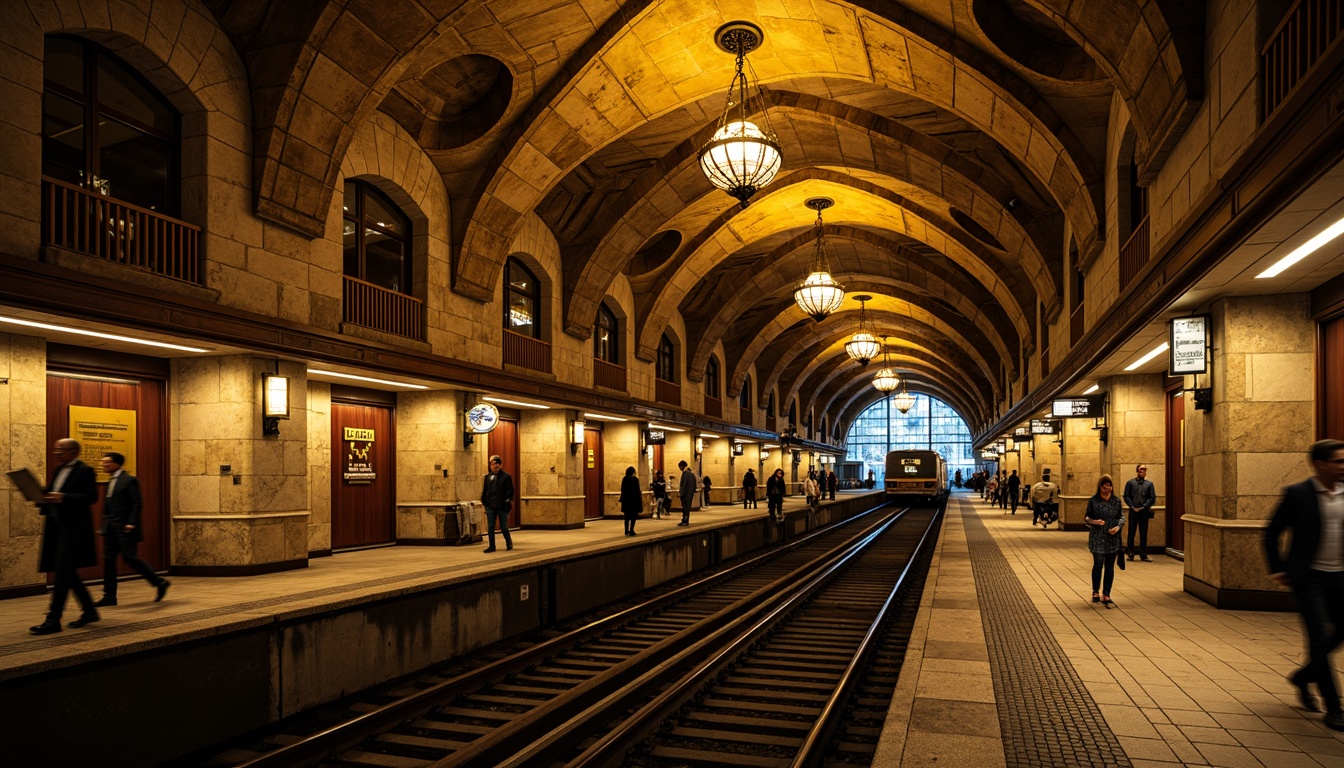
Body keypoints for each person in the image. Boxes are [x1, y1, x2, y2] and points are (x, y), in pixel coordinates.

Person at [1264, 439, 1344, 728]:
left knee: (1340, 632)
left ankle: (1303, 676)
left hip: (1340, 576)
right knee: (1319, 639)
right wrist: (1279, 568)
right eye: (1339, 461)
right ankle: (1334, 707)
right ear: (1321, 464)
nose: (1343, 466)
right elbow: (1272, 533)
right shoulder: (1299, 494)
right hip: (1310, 578)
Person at [31, 439, 99, 635]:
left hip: (74, 528)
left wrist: (63, 497)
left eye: (60, 450)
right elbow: (54, 493)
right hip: (56, 526)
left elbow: (91, 496)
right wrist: (40, 495)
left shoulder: (85, 470)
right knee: (67, 571)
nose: (56, 453)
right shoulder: (59, 470)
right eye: (56, 449)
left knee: (62, 571)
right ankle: (90, 610)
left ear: (74, 451)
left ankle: (53, 619)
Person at [94, 452, 168, 606]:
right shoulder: (111, 481)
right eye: (103, 462)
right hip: (110, 529)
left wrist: (131, 522)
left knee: (130, 558)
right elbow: (109, 507)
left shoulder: (129, 480)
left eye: (107, 462)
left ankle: (159, 582)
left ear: (116, 464)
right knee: (108, 561)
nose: (104, 465)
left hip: (125, 528)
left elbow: (137, 503)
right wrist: (103, 525)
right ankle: (109, 596)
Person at [1084, 475, 1125, 608]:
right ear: (1100, 487)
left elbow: (1121, 517)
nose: (1107, 488)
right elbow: (1087, 518)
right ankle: (1095, 591)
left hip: (1112, 537)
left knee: (1110, 567)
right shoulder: (1093, 501)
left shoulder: (1116, 501)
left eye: (1109, 486)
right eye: (1105, 486)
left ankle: (1106, 593)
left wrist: (1118, 527)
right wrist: (1095, 522)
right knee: (1098, 564)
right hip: (1097, 537)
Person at [480, 454, 514, 553]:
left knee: (503, 526)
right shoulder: (487, 477)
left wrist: (507, 501)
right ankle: (492, 546)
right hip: (490, 505)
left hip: (502, 505)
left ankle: (509, 543)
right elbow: (485, 490)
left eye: (498, 464)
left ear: (501, 465)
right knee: (490, 527)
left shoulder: (506, 477)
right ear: (490, 465)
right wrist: (484, 501)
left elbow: (510, 491)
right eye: (494, 464)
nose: (496, 466)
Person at [1124, 464, 1156, 561]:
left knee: (1143, 533)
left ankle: (1143, 554)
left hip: (1144, 512)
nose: (1143, 471)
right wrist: (1132, 506)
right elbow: (1126, 496)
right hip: (1133, 511)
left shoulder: (1149, 484)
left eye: (1145, 469)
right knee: (1131, 532)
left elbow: (1152, 498)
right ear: (1137, 470)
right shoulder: (1130, 483)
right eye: (1141, 469)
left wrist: (1144, 506)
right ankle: (1130, 552)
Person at [619, 466, 642, 536]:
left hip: (626, 501)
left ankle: (626, 530)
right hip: (634, 501)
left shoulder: (624, 479)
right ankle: (631, 530)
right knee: (633, 516)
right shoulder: (635, 480)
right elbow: (638, 491)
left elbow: (622, 490)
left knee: (627, 516)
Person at [677, 460, 696, 526]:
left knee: (685, 507)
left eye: (679, 467)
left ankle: (685, 520)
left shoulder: (685, 474)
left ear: (681, 466)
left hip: (686, 494)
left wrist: (681, 493)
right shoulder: (691, 474)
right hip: (690, 493)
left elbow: (683, 485)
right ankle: (685, 519)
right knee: (687, 507)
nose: (680, 468)